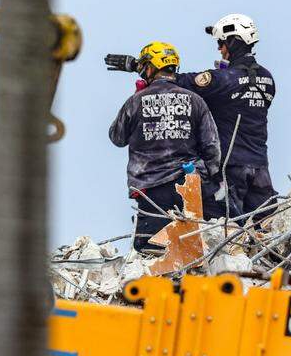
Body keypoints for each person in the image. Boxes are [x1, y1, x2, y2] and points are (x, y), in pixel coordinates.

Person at [110, 14, 277, 220]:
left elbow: (175, 81)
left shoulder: (222, 80)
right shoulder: (267, 79)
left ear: (234, 42)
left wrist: (140, 67)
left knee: (230, 228)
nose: (219, 49)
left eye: (221, 43)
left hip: (230, 168)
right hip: (259, 167)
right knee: (265, 224)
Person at [108, 41, 221, 251]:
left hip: (150, 189)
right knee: (203, 246)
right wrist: (213, 181)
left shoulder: (136, 101)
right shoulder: (195, 100)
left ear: (151, 67)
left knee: (152, 252)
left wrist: (137, 98)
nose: (142, 72)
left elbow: (117, 137)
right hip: (190, 186)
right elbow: (212, 147)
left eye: (144, 67)